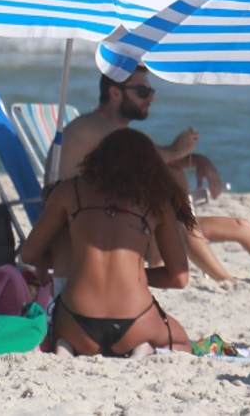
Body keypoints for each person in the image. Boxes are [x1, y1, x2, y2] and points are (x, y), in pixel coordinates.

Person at [51, 65, 250, 286]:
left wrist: (199, 159)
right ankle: (226, 281)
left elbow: (154, 158)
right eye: (142, 92)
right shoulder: (94, 127)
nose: (150, 98)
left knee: (238, 224)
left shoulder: (117, 132)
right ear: (115, 93)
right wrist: (182, 152)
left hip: (123, 220)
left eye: (151, 92)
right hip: (89, 227)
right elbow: (154, 157)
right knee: (178, 216)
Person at [23, 128, 195, 357]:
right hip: (136, 320)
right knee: (182, 343)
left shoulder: (69, 190)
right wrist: (136, 276)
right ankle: (142, 346)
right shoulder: (156, 201)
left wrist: (75, 268)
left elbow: (29, 254)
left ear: (97, 157)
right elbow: (179, 278)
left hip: (75, 321)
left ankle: (67, 344)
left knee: (66, 325)